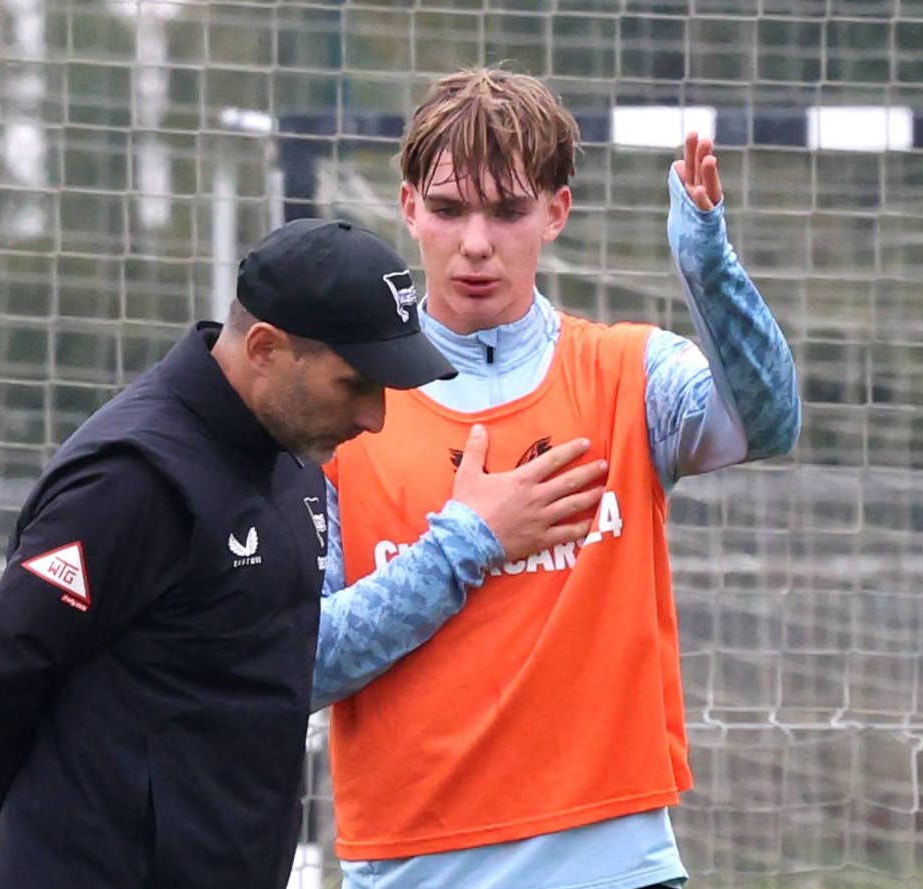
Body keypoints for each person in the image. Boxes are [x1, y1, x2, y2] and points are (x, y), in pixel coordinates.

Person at [0, 216, 610, 889]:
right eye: (355, 383)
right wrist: (12, 815)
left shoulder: (293, 463)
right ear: (264, 348)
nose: (374, 416)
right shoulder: (132, 479)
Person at [310, 68, 801, 889]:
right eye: (448, 208)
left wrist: (707, 267)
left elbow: (770, 421)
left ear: (554, 214)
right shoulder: (343, 412)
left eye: (505, 210)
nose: (475, 241)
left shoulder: (629, 373)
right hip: (412, 871)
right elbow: (302, 659)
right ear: (407, 209)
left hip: (617, 865)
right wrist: (467, 543)